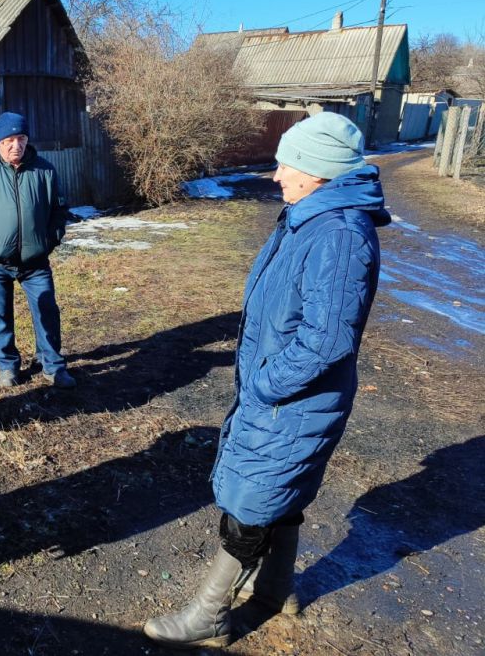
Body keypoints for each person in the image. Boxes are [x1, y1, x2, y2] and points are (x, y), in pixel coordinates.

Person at [143, 112, 391, 648]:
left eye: (288, 162)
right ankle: (276, 591)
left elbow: (327, 340)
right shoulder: (308, 217)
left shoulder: (340, 235)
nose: (277, 173)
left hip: (293, 398)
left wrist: (266, 383)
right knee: (276, 492)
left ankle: (210, 616)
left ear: (318, 170)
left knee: (250, 504)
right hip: (282, 396)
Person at [0, 111, 74, 388]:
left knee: (47, 310)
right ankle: (8, 366)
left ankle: (52, 365)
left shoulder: (44, 170)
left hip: (35, 262)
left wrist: (50, 239)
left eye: (21, 139)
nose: (16, 146)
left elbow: (59, 210)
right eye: (9, 140)